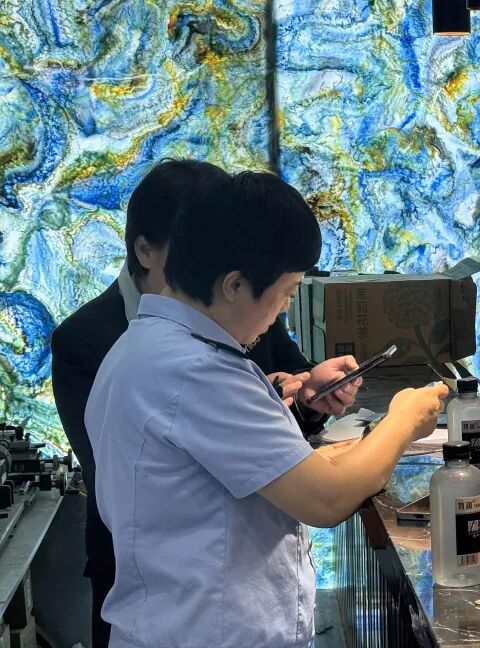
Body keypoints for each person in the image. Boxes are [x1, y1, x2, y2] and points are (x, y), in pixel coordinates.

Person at [84, 169, 447, 647]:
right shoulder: (198, 372)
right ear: (234, 285)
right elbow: (326, 500)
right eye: (287, 293)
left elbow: (253, 473)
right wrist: (404, 419)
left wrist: (338, 451)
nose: (284, 311)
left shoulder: (147, 348)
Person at [50, 160, 361, 646]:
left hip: (221, 591)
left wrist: (293, 398)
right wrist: (402, 420)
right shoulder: (104, 341)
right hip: (166, 585)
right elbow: (122, 461)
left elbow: (256, 403)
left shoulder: (223, 312)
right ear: (147, 249)